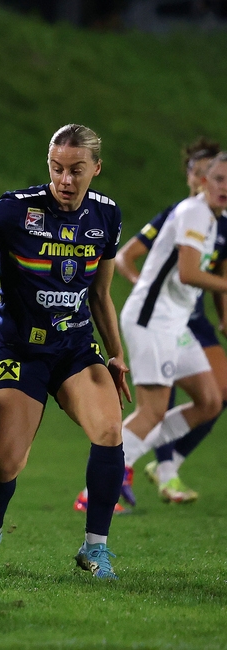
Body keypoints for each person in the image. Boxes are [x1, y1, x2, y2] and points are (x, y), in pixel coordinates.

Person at [0, 124, 130, 579]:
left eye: (76, 170)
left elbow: (101, 295)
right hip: (20, 350)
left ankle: (96, 548)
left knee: (110, 429)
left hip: (75, 349)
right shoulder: (16, 210)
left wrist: (116, 355)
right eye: (57, 169)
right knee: (4, 462)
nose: (65, 180)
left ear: (96, 168)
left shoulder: (106, 217)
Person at [106, 139, 226, 504]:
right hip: (153, 319)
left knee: (209, 401)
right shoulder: (192, 213)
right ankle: (98, 487)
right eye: (216, 178)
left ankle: (143, 463)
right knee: (152, 411)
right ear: (202, 180)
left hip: (178, 323)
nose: (221, 185)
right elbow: (189, 273)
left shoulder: (217, 220)